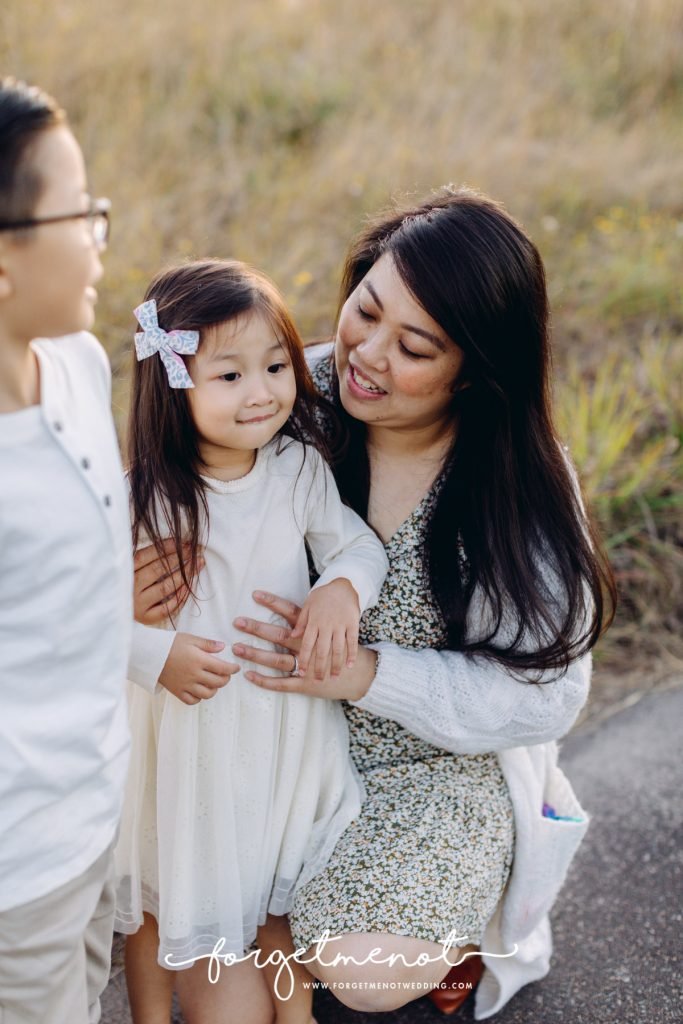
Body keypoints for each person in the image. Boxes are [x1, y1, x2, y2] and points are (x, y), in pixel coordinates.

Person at [136, 187, 616, 1019]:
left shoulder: (514, 483)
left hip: (430, 768)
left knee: (359, 969)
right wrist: (144, 579)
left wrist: (364, 673)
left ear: (474, 369)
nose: (367, 355)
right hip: (268, 739)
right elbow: (167, 456)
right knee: (156, 886)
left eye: (415, 347)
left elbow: (550, 695)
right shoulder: (287, 394)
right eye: (366, 310)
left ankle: (450, 939)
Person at [116, 259, 389, 1024]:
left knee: (275, 885)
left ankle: (293, 1013)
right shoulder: (144, 495)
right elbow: (80, 615)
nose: (262, 391)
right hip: (183, 740)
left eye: (275, 366)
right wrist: (152, 654)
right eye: (229, 375)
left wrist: (340, 588)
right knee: (156, 887)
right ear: (174, 383)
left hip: (276, 734)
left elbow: (358, 547)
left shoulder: (295, 468)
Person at [0, 79, 131, 1024]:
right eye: (79, 212)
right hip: (19, 873)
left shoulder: (79, 362)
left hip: (99, 815)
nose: (98, 235)